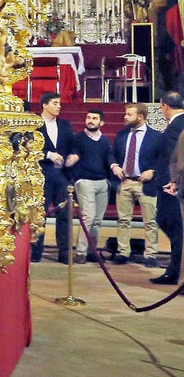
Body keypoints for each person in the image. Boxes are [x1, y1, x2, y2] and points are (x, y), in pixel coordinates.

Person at [109, 103, 163, 266]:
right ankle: (123, 252)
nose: (125, 117)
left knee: (150, 222)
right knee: (123, 220)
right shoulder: (122, 134)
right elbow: (112, 154)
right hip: (125, 182)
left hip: (145, 183)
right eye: (126, 114)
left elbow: (164, 159)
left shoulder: (156, 136)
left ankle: (150, 255)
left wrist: (153, 171)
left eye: (129, 114)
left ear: (140, 117)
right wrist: (114, 166)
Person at [67, 110, 114, 263]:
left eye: (94, 118)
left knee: (97, 220)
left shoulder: (104, 141)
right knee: (88, 217)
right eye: (88, 117)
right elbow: (73, 154)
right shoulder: (78, 138)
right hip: (85, 181)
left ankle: (92, 250)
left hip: (102, 182)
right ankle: (80, 252)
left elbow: (108, 157)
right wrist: (72, 160)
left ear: (102, 123)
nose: (90, 121)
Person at [37, 91, 74, 263]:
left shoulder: (65, 125)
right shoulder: (34, 125)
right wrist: (48, 154)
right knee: (39, 213)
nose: (59, 106)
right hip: (42, 174)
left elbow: (72, 146)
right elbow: (27, 147)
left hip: (61, 175)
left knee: (64, 214)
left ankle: (64, 253)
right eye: (55, 103)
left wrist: (74, 155)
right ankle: (35, 251)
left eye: (59, 103)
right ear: (45, 105)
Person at [158, 91, 184, 285]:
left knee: (174, 227)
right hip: (174, 184)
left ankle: (176, 271)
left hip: (174, 187)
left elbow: (175, 159)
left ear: (164, 105)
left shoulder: (178, 126)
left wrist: (173, 182)